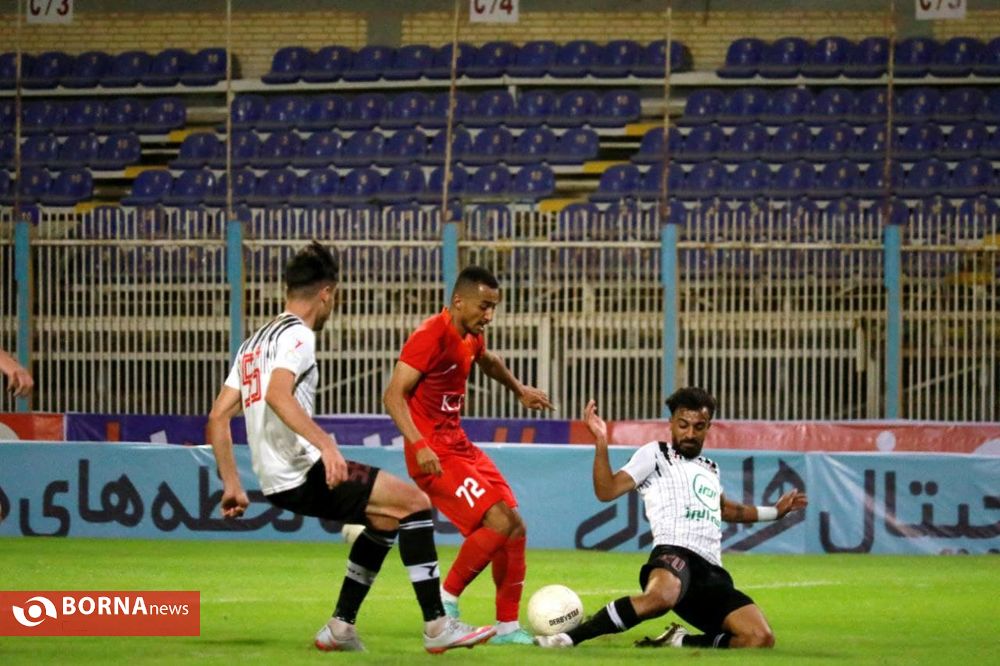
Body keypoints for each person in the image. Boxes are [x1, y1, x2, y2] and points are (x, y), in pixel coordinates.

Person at [207, 242, 495, 654]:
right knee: (414, 503)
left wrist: (233, 484)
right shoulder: (297, 335)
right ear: (327, 293)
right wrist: (326, 445)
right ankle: (437, 625)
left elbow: (218, 416)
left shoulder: (254, 342)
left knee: (384, 519)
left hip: (275, 479)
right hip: (301, 469)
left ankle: (340, 628)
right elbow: (278, 395)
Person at [536, 388, 808, 650]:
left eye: (698, 427)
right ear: (671, 423)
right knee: (660, 597)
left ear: (708, 427)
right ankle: (569, 638)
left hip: (711, 571)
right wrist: (601, 440)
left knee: (759, 638)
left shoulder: (710, 469)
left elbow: (725, 509)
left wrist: (775, 512)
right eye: (683, 425)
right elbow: (606, 490)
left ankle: (678, 641)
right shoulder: (655, 454)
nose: (690, 433)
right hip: (674, 554)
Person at [383, 265, 554, 645]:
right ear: (458, 301)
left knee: (515, 527)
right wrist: (419, 444)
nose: (489, 315)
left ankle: (507, 628)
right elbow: (393, 395)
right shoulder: (430, 336)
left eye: (494, 307)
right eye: (484, 306)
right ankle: (444, 601)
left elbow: (487, 359)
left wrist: (519, 389)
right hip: (434, 453)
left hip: (459, 445)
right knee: (498, 521)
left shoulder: (471, 335)